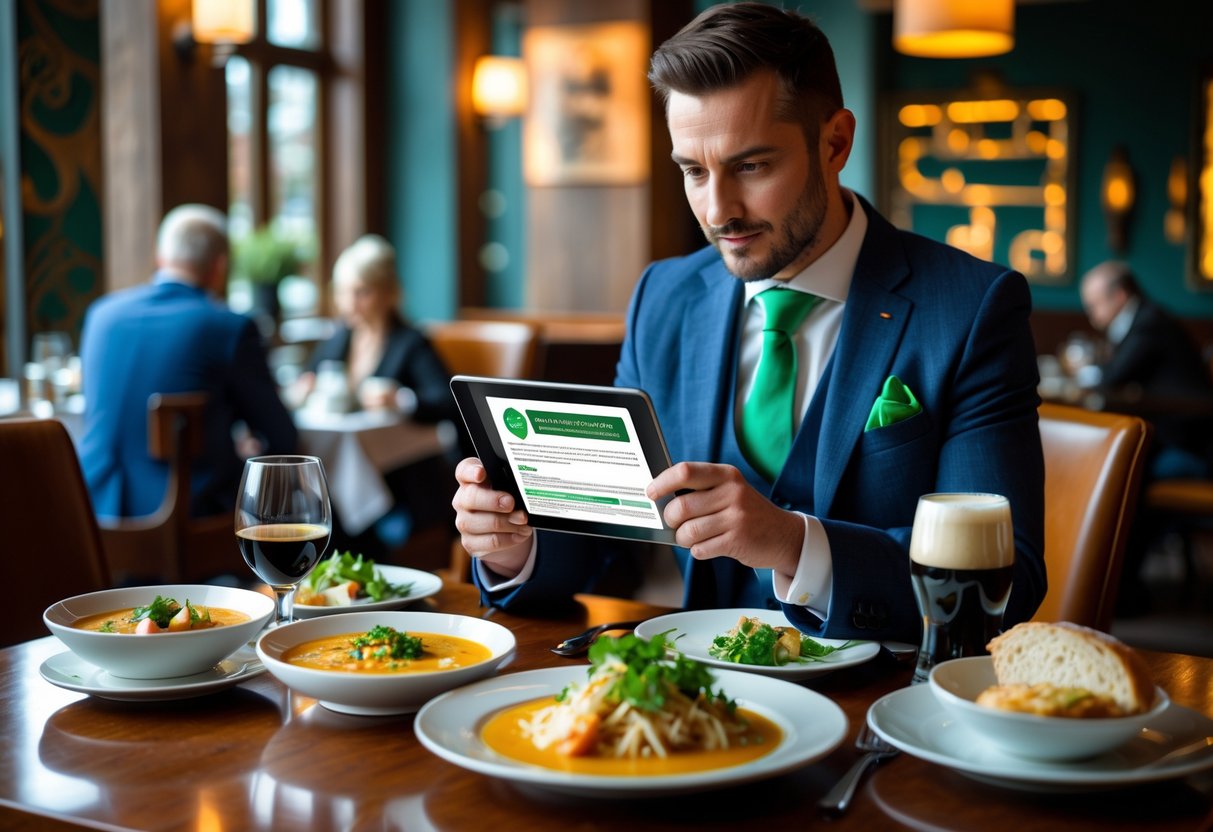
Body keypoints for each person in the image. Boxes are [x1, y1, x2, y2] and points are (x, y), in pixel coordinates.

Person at [452, 2, 1046, 642]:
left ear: (835, 142)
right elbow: (611, 544)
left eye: (752, 166)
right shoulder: (663, 296)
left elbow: (1004, 579)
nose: (719, 210)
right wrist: (512, 545)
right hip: (683, 696)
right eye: (693, 171)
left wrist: (795, 544)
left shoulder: (971, 306)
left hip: (873, 707)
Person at [79, 204, 297, 519]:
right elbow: (281, 437)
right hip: (187, 516)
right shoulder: (228, 327)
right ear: (220, 267)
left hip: (94, 509)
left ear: (159, 256)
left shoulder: (101, 315)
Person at [297, 234, 464, 554]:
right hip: (343, 472)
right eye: (343, 292)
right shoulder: (341, 337)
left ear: (389, 293)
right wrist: (304, 388)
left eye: (362, 292)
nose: (349, 303)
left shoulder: (410, 342)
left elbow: (448, 400)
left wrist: (401, 398)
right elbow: (310, 377)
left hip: (403, 482)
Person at [1079, 260, 1213, 480]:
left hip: (1187, 443)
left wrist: (1088, 372)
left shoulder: (1150, 322)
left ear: (1119, 296)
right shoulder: (1144, 317)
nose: (1091, 314)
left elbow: (1114, 377)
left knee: (1116, 466)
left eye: (1094, 305)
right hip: (1171, 433)